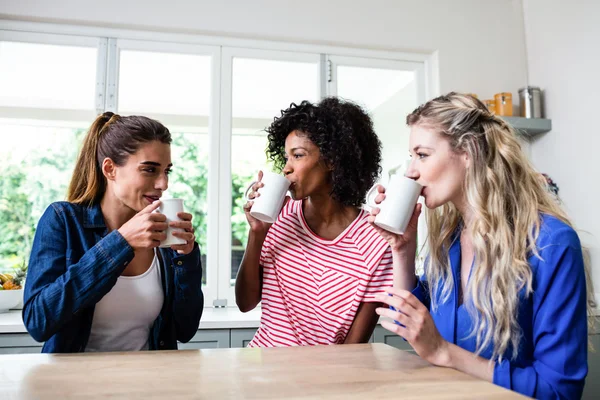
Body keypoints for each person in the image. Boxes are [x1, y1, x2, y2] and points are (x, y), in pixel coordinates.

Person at [370, 92, 595, 399]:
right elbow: (410, 327)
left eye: (422, 155)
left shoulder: (552, 244)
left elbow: (559, 391)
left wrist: (446, 353)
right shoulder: (450, 241)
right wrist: (402, 249)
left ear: (468, 151)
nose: (411, 170)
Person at [23, 112, 204, 353]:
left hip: (151, 383)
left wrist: (187, 257)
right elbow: (38, 321)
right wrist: (121, 243)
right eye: (149, 170)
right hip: (72, 385)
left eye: (166, 171)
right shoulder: (63, 219)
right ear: (110, 169)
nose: (163, 184)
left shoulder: (163, 236)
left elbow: (185, 330)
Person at [236, 97, 393, 347]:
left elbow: (353, 349)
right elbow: (245, 303)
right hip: (262, 368)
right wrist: (257, 233)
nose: (286, 168)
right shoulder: (281, 216)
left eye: (297, 155)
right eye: (286, 157)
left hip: (323, 377)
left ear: (332, 160)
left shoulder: (377, 240)